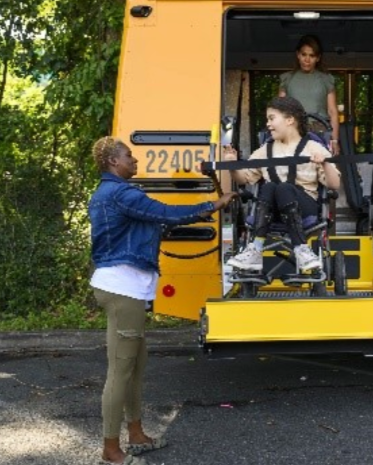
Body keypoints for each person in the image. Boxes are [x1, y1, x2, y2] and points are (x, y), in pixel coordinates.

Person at [89, 136, 237, 465]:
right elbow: (166, 213)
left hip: (127, 286)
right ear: (114, 161)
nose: (136, 160)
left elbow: (148, 222)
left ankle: (137, 434)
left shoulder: (109, 193)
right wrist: (214, 204)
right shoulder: (120, 193)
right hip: (121, 287)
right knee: (120, 370)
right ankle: (111, 451)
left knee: (135, 368)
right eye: (130, 156)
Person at [223, 96, 341, 272]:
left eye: (271, 118)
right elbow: (243, 179)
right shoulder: (265, 151)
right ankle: (255, 249)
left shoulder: (314, 148)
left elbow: (334, 184)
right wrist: (232, 164)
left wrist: (325, 163)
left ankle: (300, 248)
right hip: (272, 211)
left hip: (304, 208)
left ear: (289, 120)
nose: (268, 124)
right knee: (270, 187)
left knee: (283, 187)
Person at [279, 34, 341, 156]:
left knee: (322, 169)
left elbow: (333, 111)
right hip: (293, 129)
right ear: (298, 55)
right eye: (304, 55)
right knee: (294, 169)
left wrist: (334, 140)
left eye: (312, 56)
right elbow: (280, 111)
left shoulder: (326, 79)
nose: (307, 60)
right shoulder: (287, 79)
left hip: (320, 129)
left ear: (318, 58)